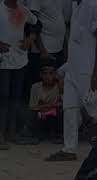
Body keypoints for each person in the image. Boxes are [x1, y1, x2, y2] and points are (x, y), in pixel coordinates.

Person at [45, 0, 97, 161]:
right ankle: (69, 149)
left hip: (88, 70)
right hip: (72, 69)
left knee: (93, 113)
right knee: (70, 109)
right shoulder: (74, 6)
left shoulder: (93, 6)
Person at [0, 0, 38, 150]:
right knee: (3, 96)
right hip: (2, 60)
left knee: (15, 97)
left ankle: (12, 133)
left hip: (20, 59)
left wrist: (31, 38)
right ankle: (1, 134)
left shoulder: (24, 10)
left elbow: (37, 24)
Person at [16, 61, 63, 144]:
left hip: (54, 115)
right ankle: (36, 135)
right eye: (45, 73)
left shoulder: (59, 86)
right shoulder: (35, 87)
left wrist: (46, 106)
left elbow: (63, 104)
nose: (48, 76)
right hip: (40, 115)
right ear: (41, 75)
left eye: (51, 73)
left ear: (55, 75)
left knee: (61, 111)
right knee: (29, 113)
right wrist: (49, 106)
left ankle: (56, 134)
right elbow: (32, 107)